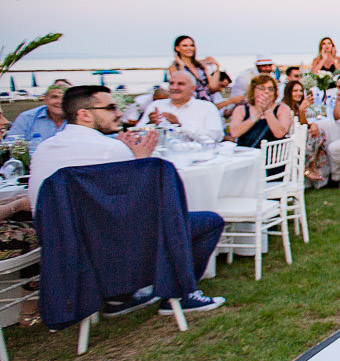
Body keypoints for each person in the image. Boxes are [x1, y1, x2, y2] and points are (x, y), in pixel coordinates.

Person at [28, 85, 225, 315]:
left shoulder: (42, 149)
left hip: (64, 249)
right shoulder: (110, 150)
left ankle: (119, 297)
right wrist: (140, 162)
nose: (119, 113)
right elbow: (145, 209)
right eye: (111, 107)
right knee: (208, 222)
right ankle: (181, 293)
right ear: (84, 114)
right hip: (115, 249)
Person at [140, 71, 225, 143]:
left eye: (181, 84)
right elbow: (136, 134)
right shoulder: (156, 105)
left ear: (192, 89)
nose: (174, 87)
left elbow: (216, 137)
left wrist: (181, 126)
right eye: (171, 83)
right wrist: (150, 124)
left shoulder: (206, 107)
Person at [228, 74, 292, 148]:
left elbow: (280, 133)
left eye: (270, 89)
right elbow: (234, 133)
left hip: (271, 156)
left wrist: (268, 111)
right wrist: (256, 115)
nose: (266, 91)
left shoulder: (282, 109)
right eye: (262, 88)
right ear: (253, 90)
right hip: (245, 154)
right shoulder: (241, 109)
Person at [283, 79, 328, 182]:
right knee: (311, 136)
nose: (299, 93)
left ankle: (313, 165)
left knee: (318, 132)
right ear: (289, 92)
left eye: (300, 90)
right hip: (288, 139)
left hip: (298, 134)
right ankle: (306, 169)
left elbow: (302, 124)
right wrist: (302, 110)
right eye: (295, 91)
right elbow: (295, 127)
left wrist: (312, 124)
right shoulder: (285, 107)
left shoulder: (297, 105)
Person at [6, 81, 70, 148]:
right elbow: (11, 145)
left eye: (65, 98)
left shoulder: (79, 119)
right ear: (45, 99)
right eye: (55, 97)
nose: (60, 102)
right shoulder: (26, 118)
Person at [168, 35, 222, 102]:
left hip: (207, 102)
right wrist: (182, 66)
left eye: (191, 45)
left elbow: (212, 87)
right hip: (190, 104)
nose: (189, 48)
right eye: (185, 45)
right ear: (177, 48)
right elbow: (183, 86)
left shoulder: (200, 66)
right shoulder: (174, 67)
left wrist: (217, 67)